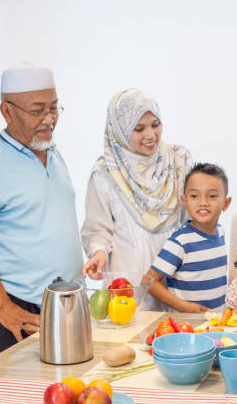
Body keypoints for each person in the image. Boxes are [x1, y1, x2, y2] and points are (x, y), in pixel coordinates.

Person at [0, 66, 83, 363]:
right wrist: (4, 309)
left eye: (54, 108)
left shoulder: (54, 154)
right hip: (17, 311)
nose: (49, 119)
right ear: (7, 111)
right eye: (38, 111)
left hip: (65, 305)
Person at [80, 88, 191, 310]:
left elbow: (191, 217)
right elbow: (98, 228)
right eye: (139, 129)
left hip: (177, 275)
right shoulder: (105, 173)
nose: (150, 135)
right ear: (120, 131)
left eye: (155, 124)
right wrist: (99, 252)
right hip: (129, 278)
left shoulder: (178, 159)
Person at [146, 163, 232, 312]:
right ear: (185, 202)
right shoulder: (180, 242)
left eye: (212, 196)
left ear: (226, 203)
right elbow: (148, 281)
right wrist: (183, 306)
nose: (203, 203)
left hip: (216, 325)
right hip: (187, 327)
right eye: (194, 196)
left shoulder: (221, 233)